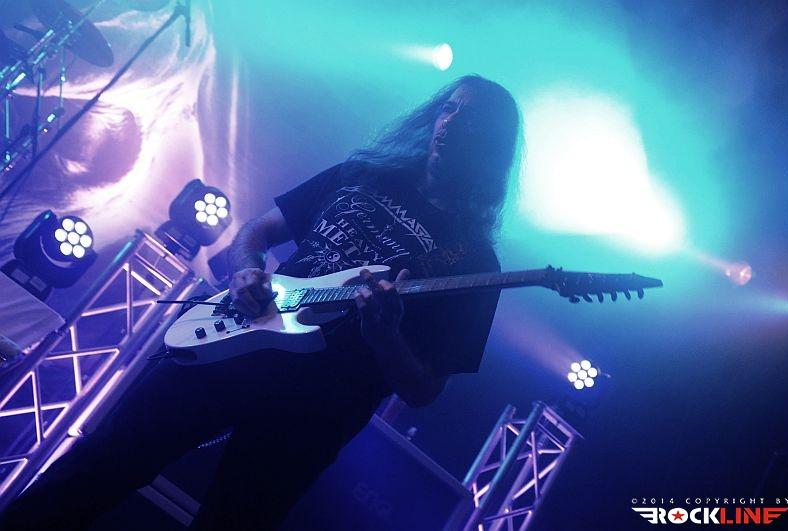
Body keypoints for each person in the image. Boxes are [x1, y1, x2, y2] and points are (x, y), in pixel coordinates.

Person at [0, 74, 520, 530]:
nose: (451, 123)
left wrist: (384, 338)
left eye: (472, 120)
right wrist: (246, 271)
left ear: (491, 147)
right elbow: (258, 231)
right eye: (449, 107)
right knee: (102, 462)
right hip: (238, 340)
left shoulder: (473, 260)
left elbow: (424, 388)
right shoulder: (365, 172)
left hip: (313, 412)